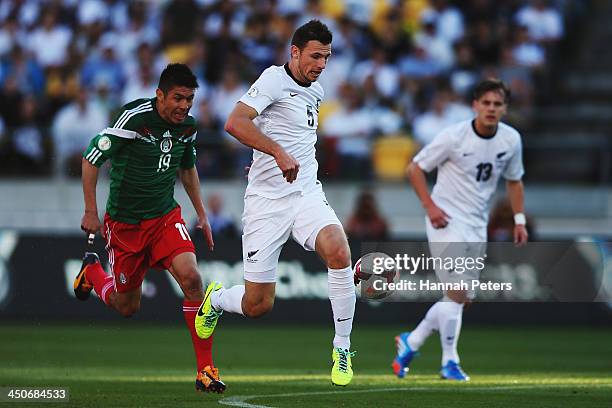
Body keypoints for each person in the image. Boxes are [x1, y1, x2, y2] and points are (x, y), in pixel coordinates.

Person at [194, 20, 357, 387]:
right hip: (266, 203)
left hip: (305, 194)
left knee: (339, 252)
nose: (321, 64)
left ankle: (342, 348)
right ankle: (217, 299)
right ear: (294, 52)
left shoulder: (316, 90)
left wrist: (281, 154)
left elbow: (295, 138)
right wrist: (275, 152)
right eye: (315, 56)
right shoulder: (272, 79)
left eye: (327, 57)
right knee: (258, 306)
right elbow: (234, 123)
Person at [74, 63, 225, 394]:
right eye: (178, 98)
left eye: (190, 100)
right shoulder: (134, 118)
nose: (184, 106)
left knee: (192, 278)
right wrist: (91, 211)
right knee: (126, 306)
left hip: (164, 218)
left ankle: (206, 370)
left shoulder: (188, 127)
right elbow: (90, 158)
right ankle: (93, 275)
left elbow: (187, 168)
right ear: (160, 95)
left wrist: (201, 214)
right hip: (125, 226)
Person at [395, 79, 528, 381]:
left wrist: (519, 220)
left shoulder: (511, 140)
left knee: (462, 299)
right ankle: (449, 362)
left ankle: (411, 341)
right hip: (446, 220)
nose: (491, 109)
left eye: (497, 104)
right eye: (486, 103)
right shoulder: (453, 137)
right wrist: (430, 207)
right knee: (457, 293)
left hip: (477, 224)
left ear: (505, 108)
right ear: (475, 105)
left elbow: (514, 180)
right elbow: (415, 168)